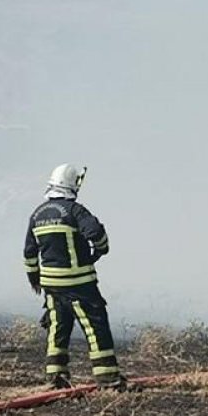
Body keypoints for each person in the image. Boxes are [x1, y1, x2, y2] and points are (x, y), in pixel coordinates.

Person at [23, 164, 126, 390]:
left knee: (58, 327)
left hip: (51, 285)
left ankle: (55, 376)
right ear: (73, 185)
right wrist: (99, 251)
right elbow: (96, 234)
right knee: (95, 325)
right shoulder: (75, 211)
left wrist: (34, 279)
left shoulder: (37, 214)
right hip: (79, 283)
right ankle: (108, 379)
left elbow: (29, 253)